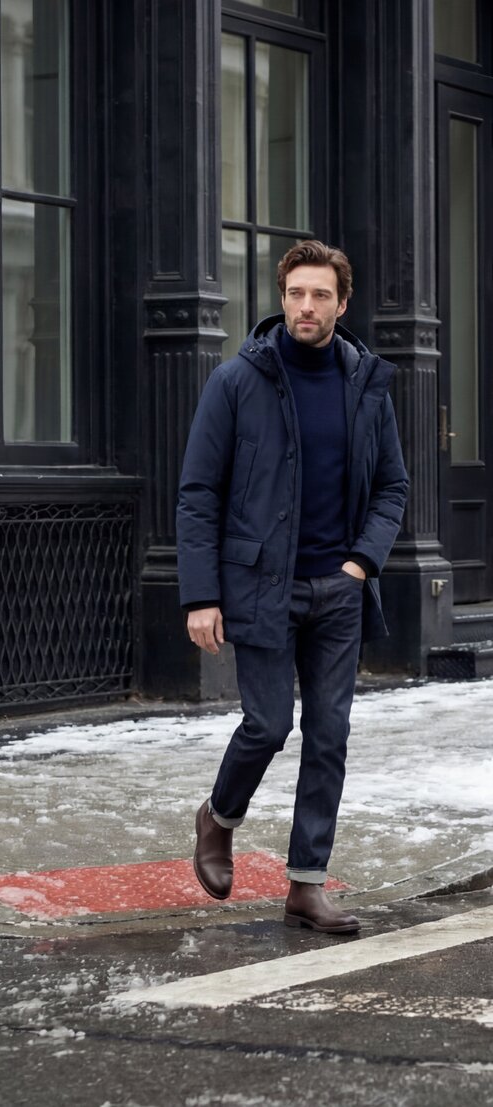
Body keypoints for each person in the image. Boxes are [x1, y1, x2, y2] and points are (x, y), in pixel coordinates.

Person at [176, 239, 408, 935]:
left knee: (329, 734)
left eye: (319, 296)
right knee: (268, 723)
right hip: (259, 587)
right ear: (282, 298)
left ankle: (306, 883)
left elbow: (392, 485)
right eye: (295, 293)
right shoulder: (237, 381)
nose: (305, 307)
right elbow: (197, 494)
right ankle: (217, 818)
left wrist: (361, 563)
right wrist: (200, 594)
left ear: (342, 303)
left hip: (336, 590)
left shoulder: (364, 383)